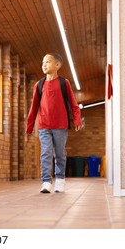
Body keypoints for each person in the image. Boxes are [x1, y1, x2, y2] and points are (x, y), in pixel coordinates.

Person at [26, 53, 82, 193]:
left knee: (59, 153)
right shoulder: (39, 85)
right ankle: (46, 181)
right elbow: (34, 107)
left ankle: (60, 179)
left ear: (57, 65)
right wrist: (30, 126)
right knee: (45, 152)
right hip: (44, 125)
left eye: (48, 62)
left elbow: (74, 104)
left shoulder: (64, 83)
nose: (44, 65)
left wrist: (77, 119)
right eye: (43, 62)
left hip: (60, 125)